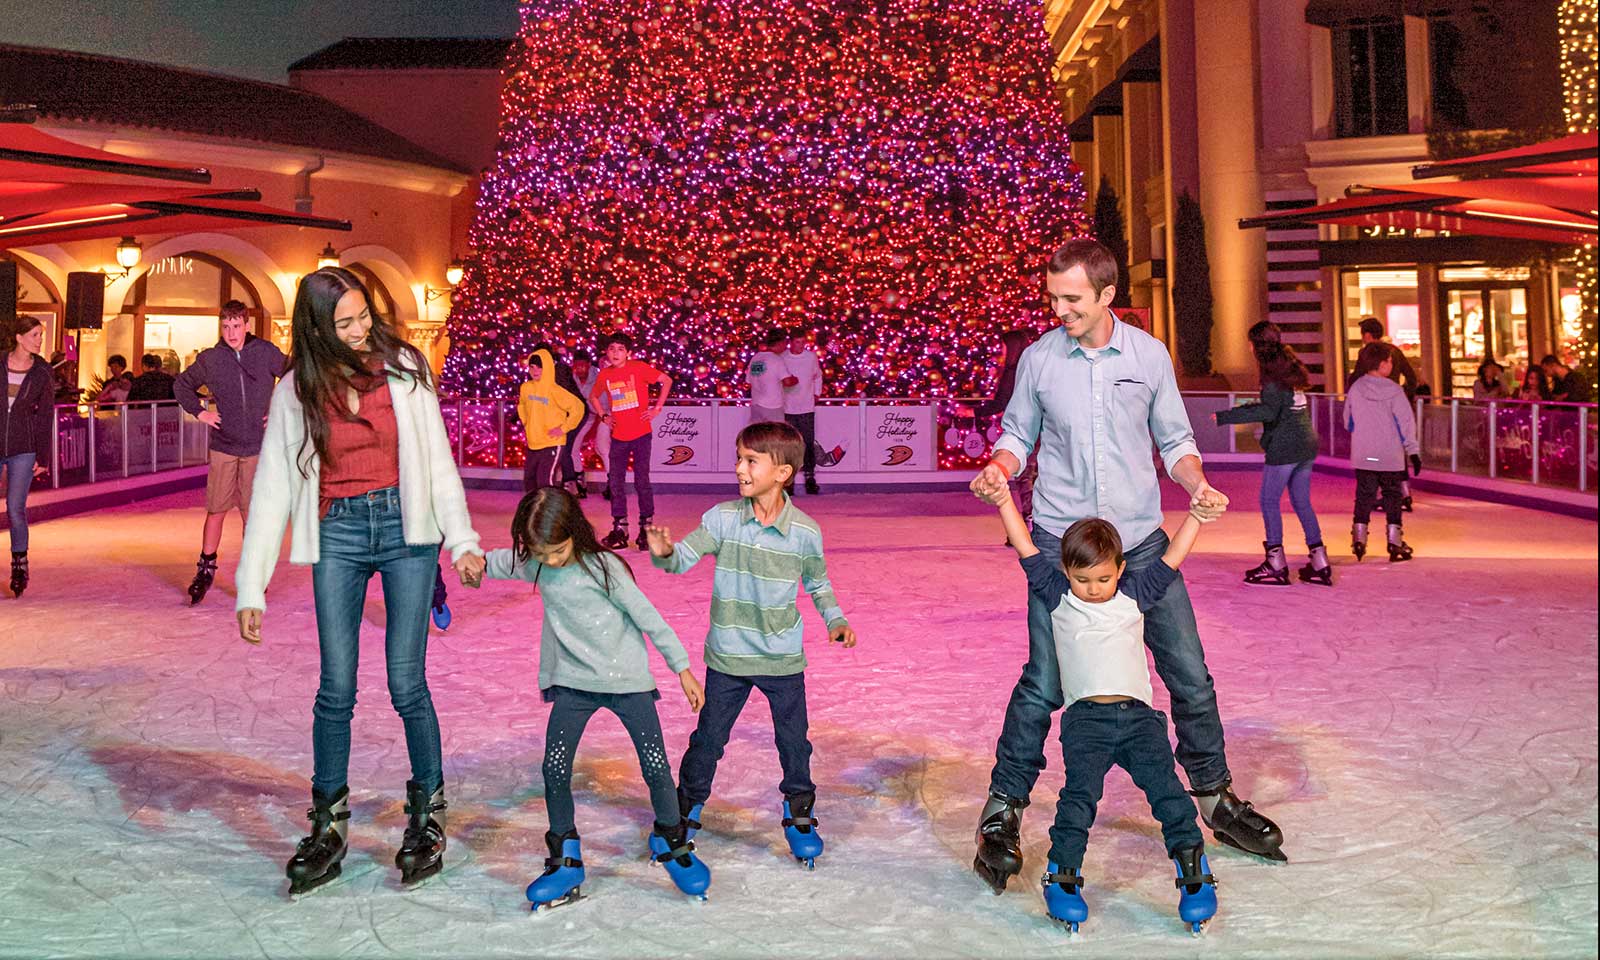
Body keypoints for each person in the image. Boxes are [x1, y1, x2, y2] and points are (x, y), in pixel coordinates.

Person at [968, 238, 1284, 894]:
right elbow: (1018, 434)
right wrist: (999, 467)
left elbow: (1174, 439)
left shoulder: (1147, 357)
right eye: (1053, 297)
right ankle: (1003, 810)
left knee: (1188, 674)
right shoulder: (1039, 359)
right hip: (1063, 546)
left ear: (1108, 295)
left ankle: (1215, 798)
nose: (1060, 310)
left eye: (1073, 299)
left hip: (1138, 540)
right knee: (1044, 683)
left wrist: (1194, 482)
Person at [233, 267, 486, 896]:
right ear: (317, 327)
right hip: (338, 534)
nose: (357, 330)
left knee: (406, 681)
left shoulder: (405, 368)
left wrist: (463, 540)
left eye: (362, 315)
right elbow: (271, 489)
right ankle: (329, 823)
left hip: (406, 531)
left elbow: (436, 459)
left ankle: (427, 814)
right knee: (336, 687)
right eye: (342, 322)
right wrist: (251, 585)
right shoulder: (296, 388)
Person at [983, 487, 1218, 934]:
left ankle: (1193, 872)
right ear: (1067, 572)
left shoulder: (1134, 596)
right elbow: (1026, 548)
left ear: (1120, 571)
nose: (1093, 589)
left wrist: (1196, 516)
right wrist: (1002, 502)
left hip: (1139, 723)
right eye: (1083, 579)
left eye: (1103, 579)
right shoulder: (1058, 598)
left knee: (1170, 798)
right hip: (1086, 724)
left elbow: (1171, 560)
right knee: (1077, 803)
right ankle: (1063, 876)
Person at [469, 487, 711, 908]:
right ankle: (566, 857)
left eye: (558, 551)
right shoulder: (539, 565)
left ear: (575, 534)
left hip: (626, 681)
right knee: (554, 768)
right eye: (541, 553)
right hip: (573, 683)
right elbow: (495, 563)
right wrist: (470, 562)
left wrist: (682, 668)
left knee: (654, 766)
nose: (551, 561)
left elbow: (648, 618)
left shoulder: (604, 569)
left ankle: (671, 840)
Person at [644, 420, 857, 869]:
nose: (739, 468)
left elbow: (818, 584)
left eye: (751, 461)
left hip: (781, 658)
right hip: (729, 656)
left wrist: (834, 619)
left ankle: (799, 811)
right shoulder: (721, 519)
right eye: (739, 459)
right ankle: (682, 812)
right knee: (708, 740)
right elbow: (682, 557)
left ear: (783, 472)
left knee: (793, 742)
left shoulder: (804, 532)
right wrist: (664, 552)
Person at [172, 300, 288, 605]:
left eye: (237, 326)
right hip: (224, 446)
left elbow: (296, 377)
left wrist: (279, 409)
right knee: (217, 509)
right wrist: (201, 412)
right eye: (226, 326)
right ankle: (205, 567)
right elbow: (181, 386)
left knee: (252, 512)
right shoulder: (211, 359)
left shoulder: (265, 353)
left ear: (247, 325)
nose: (231, 332)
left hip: (257, 448)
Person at [1214, 321, 1329, 586]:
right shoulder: (1288, 365)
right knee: (1301, 502)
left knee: (1268, 500)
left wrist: (1225, 416)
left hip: (1287, 446)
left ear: (1256, 346)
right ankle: (1319, 559)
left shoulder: (1273, 376)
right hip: (1306, 443)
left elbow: (1268, 410)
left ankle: (1276, 563)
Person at [588, 333, 672, 550]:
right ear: (606, 353)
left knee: (641, 481)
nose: (615, 353)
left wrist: (657, 409)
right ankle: (620, 528)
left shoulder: (638, 367)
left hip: (641, 435)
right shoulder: (605, 374)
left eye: (620, 349)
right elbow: (593, 397)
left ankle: (646, 528)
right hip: (619, 437)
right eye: (612, 349)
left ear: (629, 353)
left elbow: (666, 380)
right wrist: (604, 416)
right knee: (615, 482)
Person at [1345, 341, 1420, 564]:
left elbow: (1347, 420)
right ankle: (1394, 541)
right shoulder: (1395, 391)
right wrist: (1413, 451)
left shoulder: (1356, 389)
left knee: (1364, 497)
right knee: (1392, 497)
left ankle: (1359, 538)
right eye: (1389, 360)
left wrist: (1360, 431)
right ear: (1381, 364)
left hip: (1365, 454)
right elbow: (1406, 423)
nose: (1391, 364)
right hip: (1390, 455)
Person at [2, 315, 52, 598]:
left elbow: (45, 415)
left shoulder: (42, 372)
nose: (39, 340)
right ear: (19, 338)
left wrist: (43, 456)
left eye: (40, 335)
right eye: (34, 335)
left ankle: (19, 565)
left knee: (15, 509)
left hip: (24, 448)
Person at [1348, 317, 1417, 512]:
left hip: (1374, 411)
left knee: (1373, 451)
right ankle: (1404, 493)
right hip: (1394, 409)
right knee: (1395, 450)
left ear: (1368, 336)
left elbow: (1355, 379)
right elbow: (1411, 378)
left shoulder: (1367, 354)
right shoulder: (1394, 351)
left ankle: (1379, 494)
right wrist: (1404, 396)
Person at [974, 329, 1039, 532]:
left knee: (1026, 478)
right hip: (1040, 430)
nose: (1001, 351)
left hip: (1027, 431)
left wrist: (974, 411)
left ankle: (1030, 524)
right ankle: (1033, 523)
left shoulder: (1014, 371)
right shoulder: (1034, 366)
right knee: (1033, 477)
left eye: (1003, 347)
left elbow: (1003, 401)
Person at [517, 348, 585, 493]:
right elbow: (522, 405)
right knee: (529, 481)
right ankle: (533, 512)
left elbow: (578, 408)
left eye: (540, 367)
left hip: (552, 443)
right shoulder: (526, 388)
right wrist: (526, 422)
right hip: (533, 443)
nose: (535, 371)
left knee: (545, 482)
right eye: (532, 367)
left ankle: (548, 514)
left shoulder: (555, 390)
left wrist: (564, 428)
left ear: (547, 367)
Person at [781, 325, 824, 494]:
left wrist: (817, 393)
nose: (801, 346)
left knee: (808, 443)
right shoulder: (783, 358)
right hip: (787, 408)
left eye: (803, 342)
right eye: (798, 342)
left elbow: (817, 375)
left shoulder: (811, 357)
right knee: (789, 445)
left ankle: (809, 477)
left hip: (806, 407)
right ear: (791, 343)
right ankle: (788, 481)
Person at [561, 348, 598, 497]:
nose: (580, 369)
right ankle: (578, 479)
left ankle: (578, 479)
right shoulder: (571, 377)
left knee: (601, 447)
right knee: (571, 447)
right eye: (576, 366)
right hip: (578, 416)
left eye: (583, 365)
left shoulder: (598, 377)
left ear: (589, 365)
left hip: (595, 416)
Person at [747, 328, 788, 424]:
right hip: (772, 405)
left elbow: (749, 381)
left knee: (758, 435)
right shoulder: (776, 360)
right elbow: (788, 381)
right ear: (780, 343)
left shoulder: (756, 358)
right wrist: (795, 379)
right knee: (776, 436)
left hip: (756, 404)